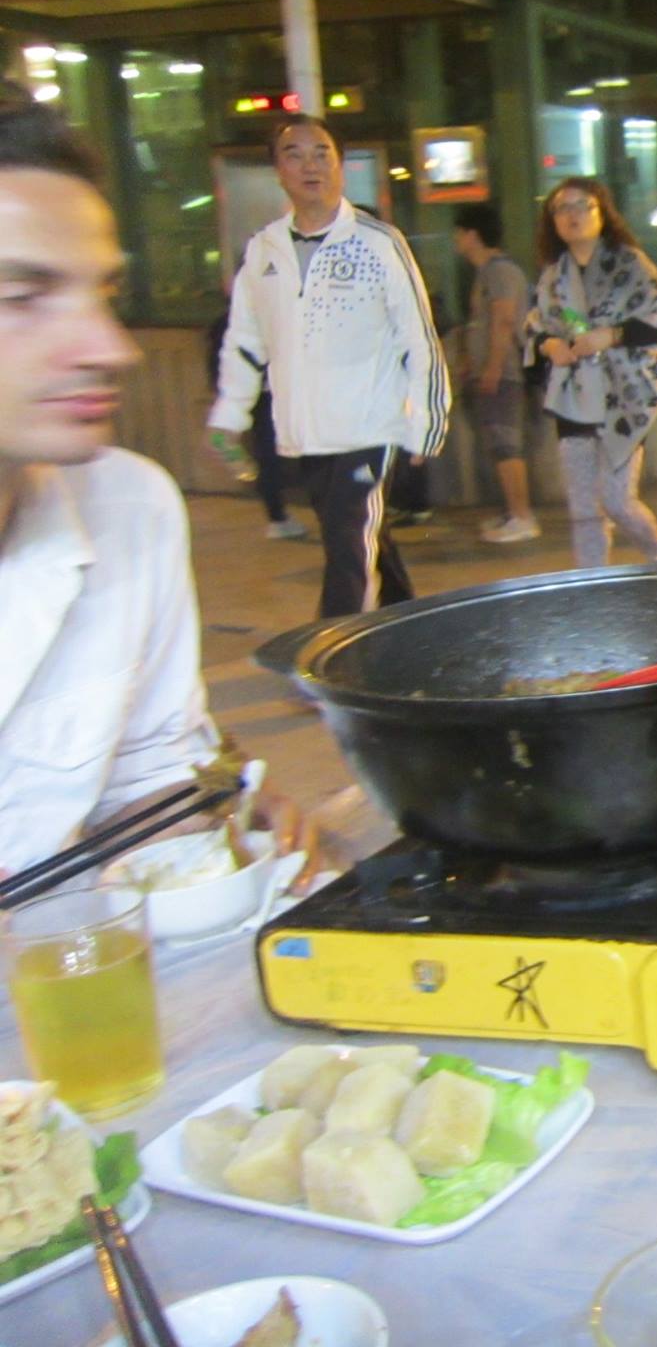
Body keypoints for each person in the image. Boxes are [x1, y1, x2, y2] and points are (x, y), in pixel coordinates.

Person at [0, 100, 320, 874]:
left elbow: (150, 773)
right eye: (21, 296)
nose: (109, 346)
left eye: (103, 293)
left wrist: (213, 816)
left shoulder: (129, 509)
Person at [207, 114, 450, 618]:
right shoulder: (264, 250)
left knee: (348, 549)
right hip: (306, 434)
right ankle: (410, 630)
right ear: (278, 170)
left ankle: (334, 660)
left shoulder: (378, 243)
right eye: (294, 154)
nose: (309, 165)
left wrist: (427, 423)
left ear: (341, 166)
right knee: (366, 539)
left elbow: (419, 339)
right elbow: (246, 341)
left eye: (322, 153)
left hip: (370, 428)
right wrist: (230, 414)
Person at [529, 178, 657, 569]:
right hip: (573, 395)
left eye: (582, 205)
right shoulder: (553, 276)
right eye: (560, 208)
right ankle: (592, 583)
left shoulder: (631, 264)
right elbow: (537, 325)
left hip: (626, 393)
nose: (572, 215)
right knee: (583, 507)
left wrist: (613, 335)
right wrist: (549, 345)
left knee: (618, 500)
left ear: (602, 212)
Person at [452, 204, 539, 544]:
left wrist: (491, 367)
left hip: (504, 373)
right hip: (493, 371)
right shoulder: (487, 272)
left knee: (506, 444)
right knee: (499, 444)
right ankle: (512, 512)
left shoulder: (501, 272)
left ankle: (522, 516)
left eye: (459, 234)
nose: (456, 241)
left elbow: (503, 322)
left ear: (473, 235)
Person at [206, 300, 305, 540]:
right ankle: (284, 516)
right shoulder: (276, 315)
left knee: (266, 453)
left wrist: (222, 393)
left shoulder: (226, 320)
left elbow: (215, 361)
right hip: (273, 393)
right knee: (283, 452)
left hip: (247, 395)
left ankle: (276, 516)